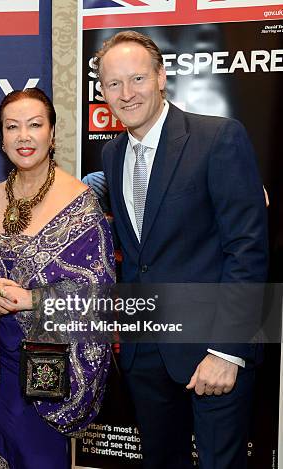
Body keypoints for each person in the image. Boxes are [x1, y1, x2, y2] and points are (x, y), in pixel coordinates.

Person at [95, 31, 268, 469]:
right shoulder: (113, 155)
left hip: (212, 351)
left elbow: (247, 252)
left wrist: (227, 351)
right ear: (101, 91)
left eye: (136, 78)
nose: (126, 93)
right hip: (145, 353)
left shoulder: (218, 139)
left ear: (161, 77)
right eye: (114, 84)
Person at [0, 88, 114, 469]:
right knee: (3, 454)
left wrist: (34, 300)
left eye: (35, 125)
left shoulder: (81, 204)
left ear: (52, 135)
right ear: (1, 138)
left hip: (50, 368)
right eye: (12, 127)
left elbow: (100, 295)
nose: (24, 136)